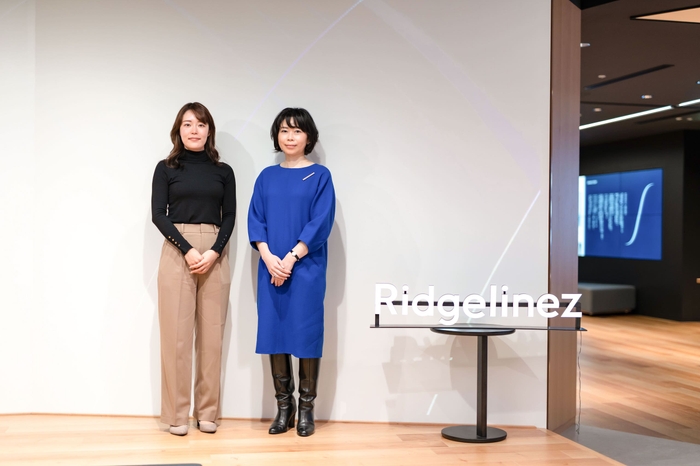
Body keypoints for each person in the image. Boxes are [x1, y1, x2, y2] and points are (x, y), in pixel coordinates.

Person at [248, 107, 335, 437]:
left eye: (297, 130)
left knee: (306, 333)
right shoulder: (266, 177)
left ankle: (306, 410)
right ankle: (284, 408)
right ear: (277, 136)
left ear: (308, 137)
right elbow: (256, 219)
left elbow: (321, 221)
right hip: (270, 267)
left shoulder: (320, 176)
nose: (290, 136)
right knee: (275, 332)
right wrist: (269, 256)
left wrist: (292, 257)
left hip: (306, 268)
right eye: (284, 130)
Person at [151, 102, 236, 436]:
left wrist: (215, 251)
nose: (194, 130)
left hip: (215, 250)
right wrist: (187, 250)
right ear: (179, 130)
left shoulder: (223, 171)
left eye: (200, 124)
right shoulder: (166, 168)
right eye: (187, 124)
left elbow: (230, 215)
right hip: (177, 249)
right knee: (176, 337)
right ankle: (176, 415)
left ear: (209, 130)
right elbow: (159, 214)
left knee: (212, 337)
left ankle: (207, 412)